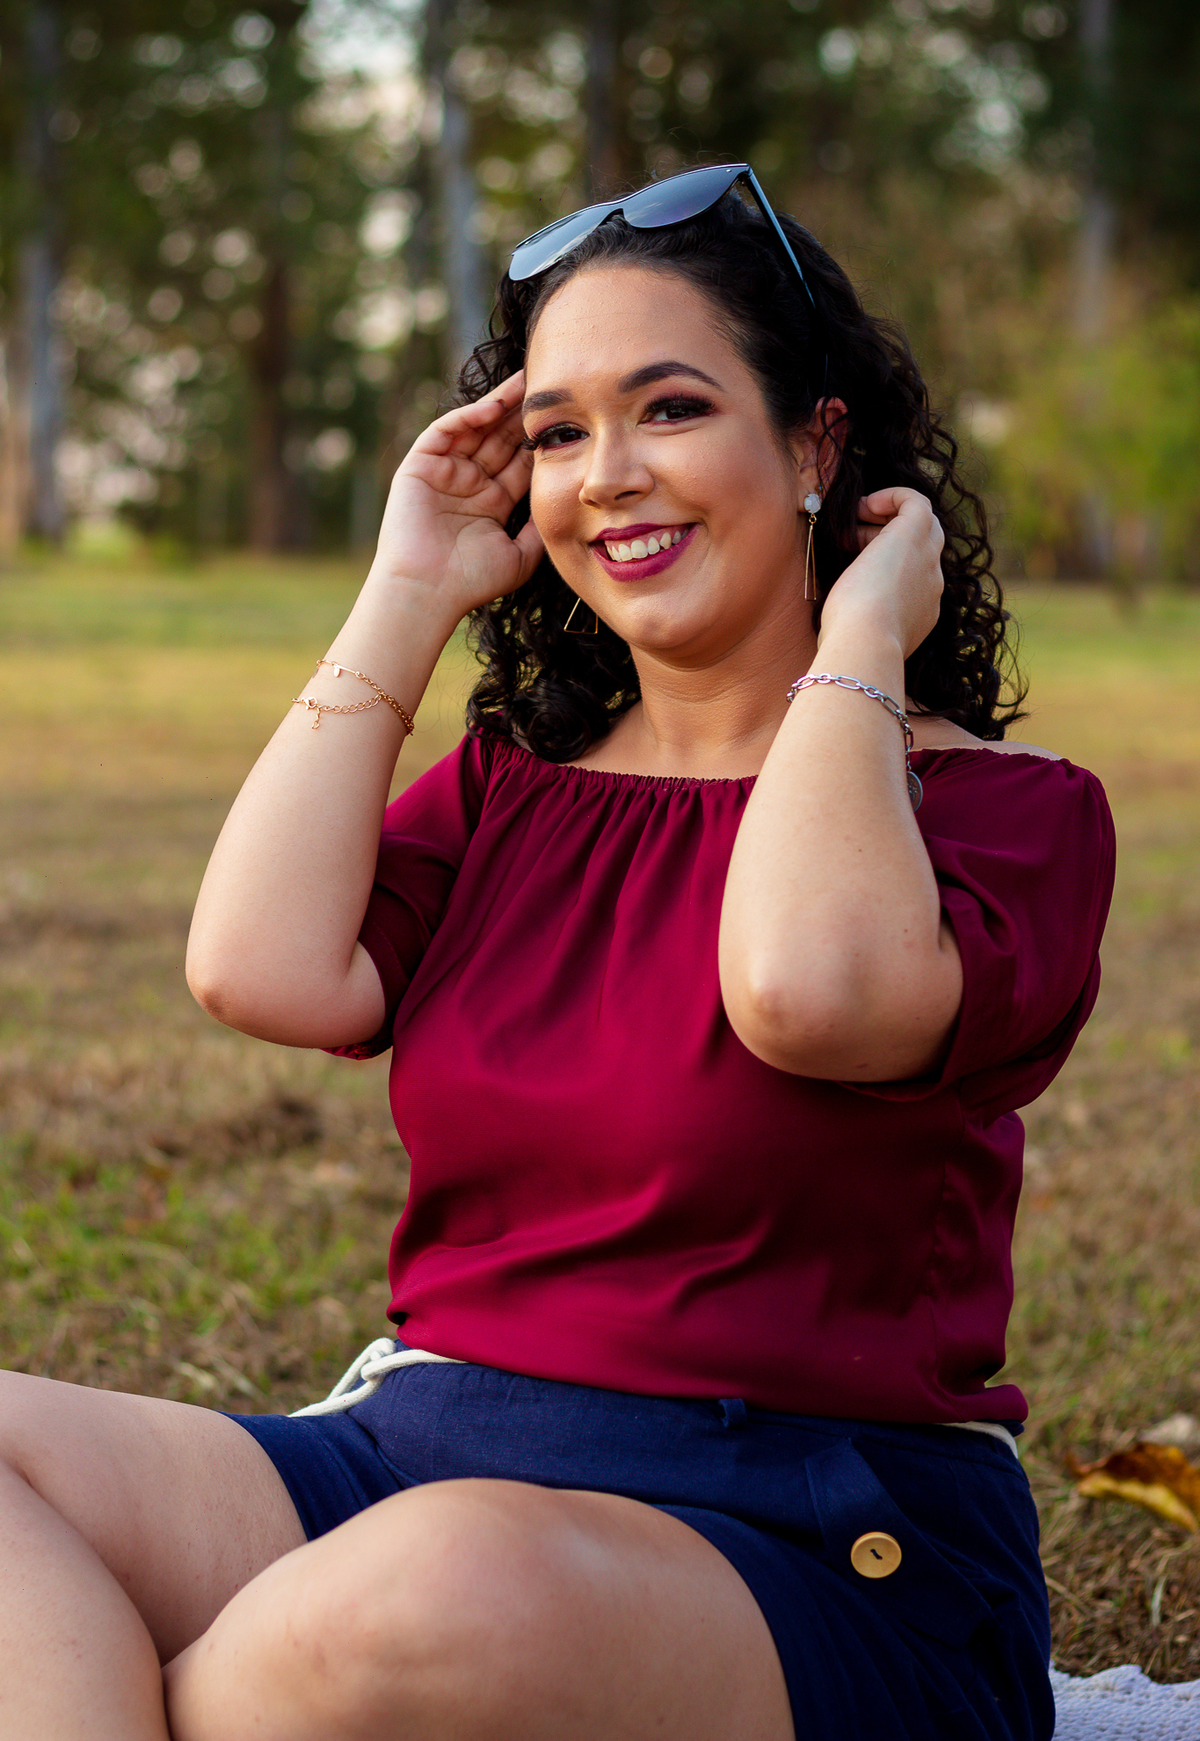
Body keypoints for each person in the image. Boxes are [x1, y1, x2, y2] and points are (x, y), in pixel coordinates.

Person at [0, 164, 1114, 1741]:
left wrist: (863, 638)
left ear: (815, 444)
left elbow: (806, 992)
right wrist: (410, 588)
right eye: (560, 433)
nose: (610, 478)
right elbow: (259, 969)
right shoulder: (519, 791)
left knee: (418, 1594)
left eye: (670, 409)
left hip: (806, 1538)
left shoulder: (1003, 815)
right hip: (421, 1456)